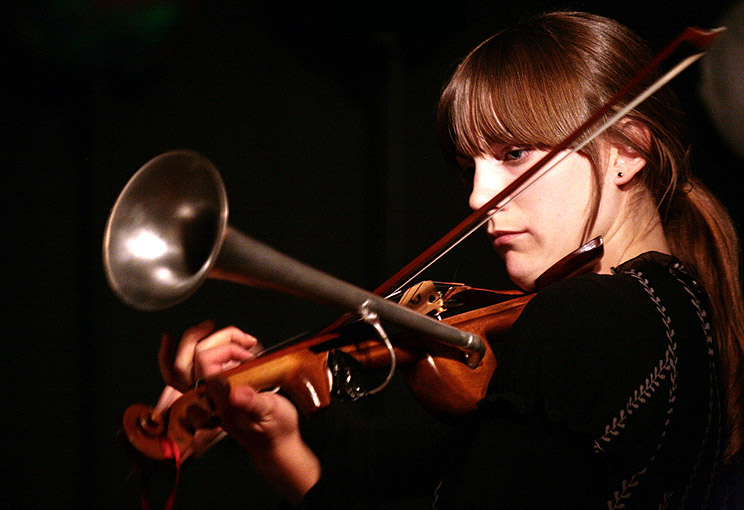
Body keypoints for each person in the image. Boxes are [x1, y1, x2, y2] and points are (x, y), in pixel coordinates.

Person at [155, 11, 744, 509]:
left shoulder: (585, 316)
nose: (479, 196)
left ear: (626, 151)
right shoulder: (687, 314)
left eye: (515, 153)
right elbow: (406, 469)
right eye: (470, 168)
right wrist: (276, 441)